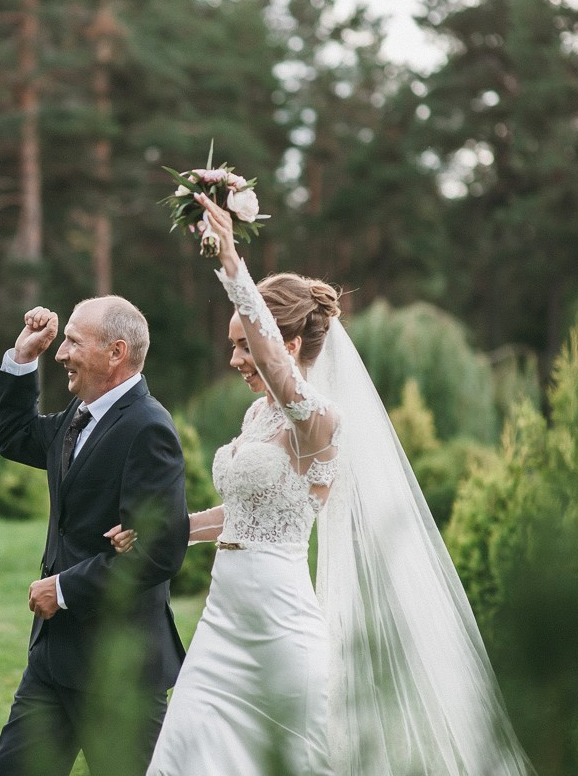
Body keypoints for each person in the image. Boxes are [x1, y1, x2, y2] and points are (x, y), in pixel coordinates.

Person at [110, 193, 534, 775]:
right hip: (223, 616)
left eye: (243, 343)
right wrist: (163, 532)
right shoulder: (256, 417)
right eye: (233, 344)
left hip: (279, 621)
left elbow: (279, 373)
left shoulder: (318, 421)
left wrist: (233, 261)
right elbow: (241, 515)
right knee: (184, 756)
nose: (234, 358)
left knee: (297, 760)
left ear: (284, 345)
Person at [0, 295, 191, 776]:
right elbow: (15, 435)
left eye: (73, 341)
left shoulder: (149, 429)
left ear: (115, 352)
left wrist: (62, 588)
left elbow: (158, 553)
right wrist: (23, 359)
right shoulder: (78, 416)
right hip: (54, 658)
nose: (62, 353)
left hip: (117, 668)